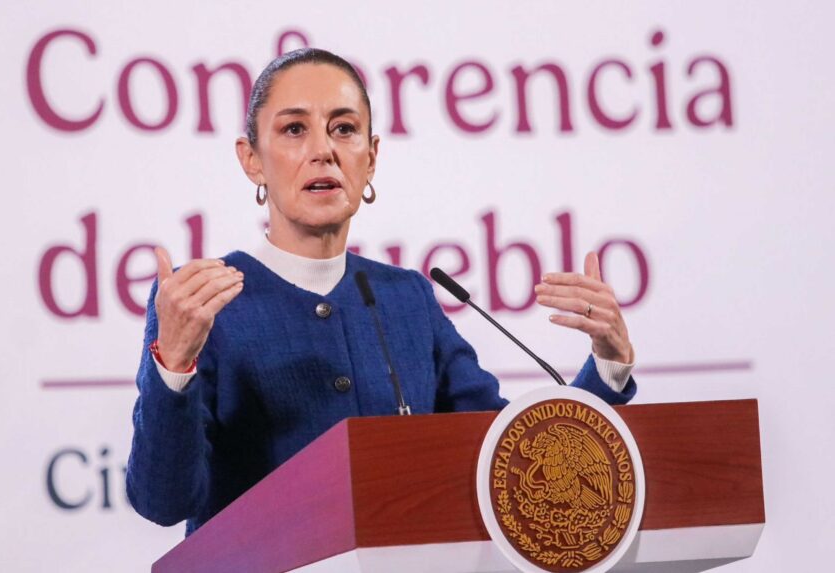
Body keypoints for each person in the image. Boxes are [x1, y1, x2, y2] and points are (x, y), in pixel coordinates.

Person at [125, 48, 636, 536]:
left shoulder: (405, 299)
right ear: (252, 159)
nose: (322, 150)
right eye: (294, 129)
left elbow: (517, 466)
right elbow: (162, 502)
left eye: (344, 129)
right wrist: (174, 363)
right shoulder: (203, 303)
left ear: (370, 159)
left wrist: (609, 367)